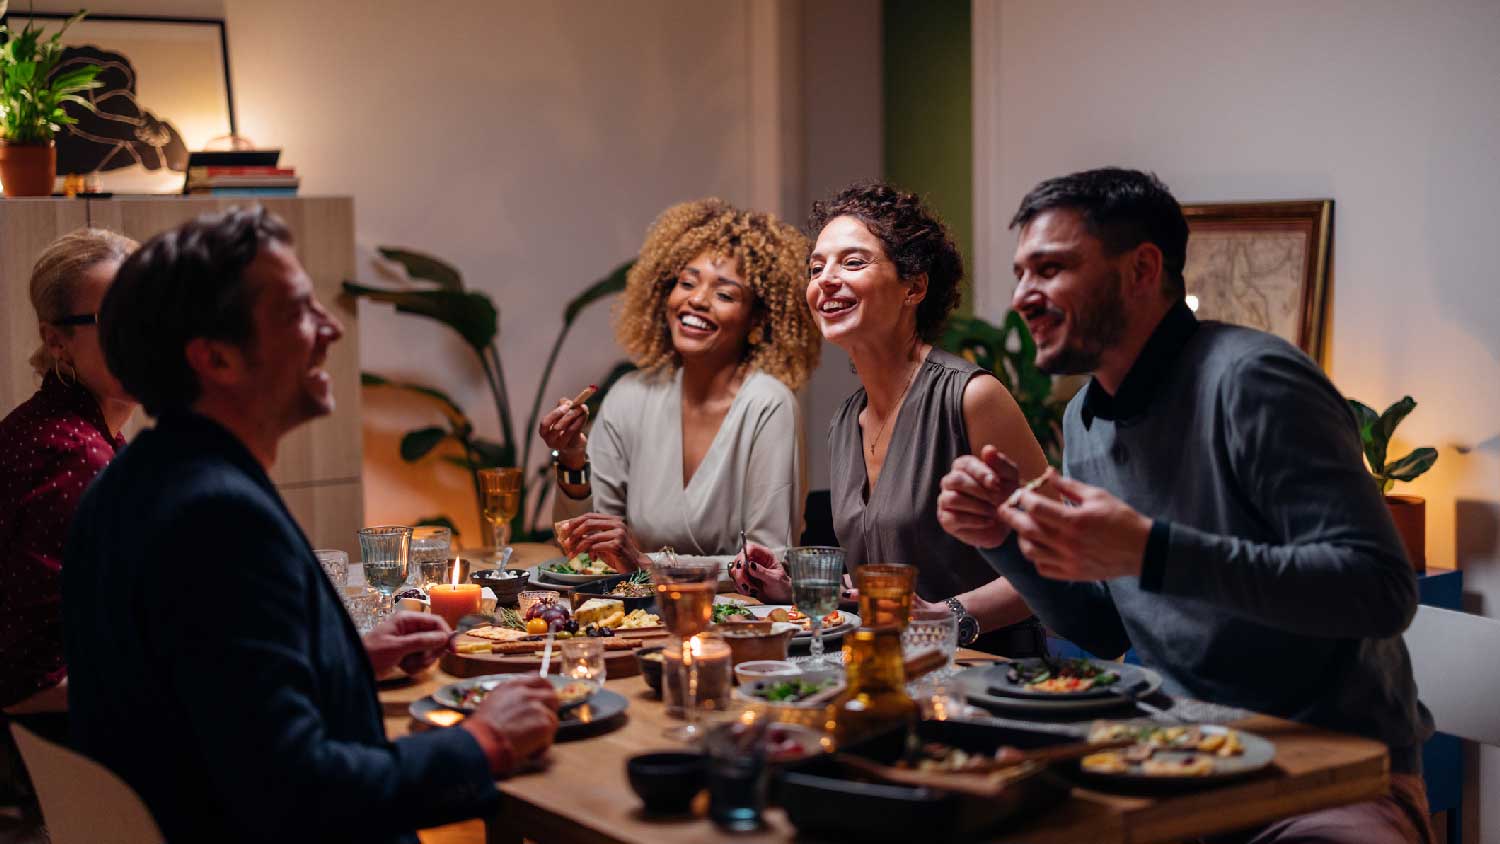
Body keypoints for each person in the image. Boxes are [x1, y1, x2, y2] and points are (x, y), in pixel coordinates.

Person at [938, 168, 1433, 843]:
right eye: (1022, 273)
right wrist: (1001, 537)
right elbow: (1106, 626)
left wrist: (1151, 551)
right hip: (1178, 757)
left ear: (1142, 270)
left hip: (1326, 773)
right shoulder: (1087, 418)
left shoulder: (1254, 380)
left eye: (1050, 269)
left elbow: (1380, 590)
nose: (1023, 297)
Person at [64, 208, 560, 843]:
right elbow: (294, 791)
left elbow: (202, 693)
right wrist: (482, 742)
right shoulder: (216, 518)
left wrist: (343, 659)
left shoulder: (131, 482)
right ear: (216, 357)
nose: (330, 328)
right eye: (299, 311)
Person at [734, 182, 1051, 656]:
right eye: (816, 267)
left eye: (853, 262)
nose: (825, 279)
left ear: (914, 287)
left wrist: (954, 617)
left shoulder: (972, 396)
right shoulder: (845, 422)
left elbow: (1053, 557)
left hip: (990, 671)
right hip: (888, 670)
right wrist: (797, 588)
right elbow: (886, 588)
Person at [541, 198, 820, 571]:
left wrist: (648, 563)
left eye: (724, 294)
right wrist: (573, 461)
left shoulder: (768, 405)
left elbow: (770, 562)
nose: (697, 300)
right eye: (686, 283)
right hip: (633, 619)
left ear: (757, 320)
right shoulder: (630, 396)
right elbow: (587, 548)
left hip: (735, 621)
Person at [1, 229, 138, 725]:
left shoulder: (53, 427)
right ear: (56, 340)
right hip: (56, 765)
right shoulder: (74, 456)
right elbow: (26, 683)